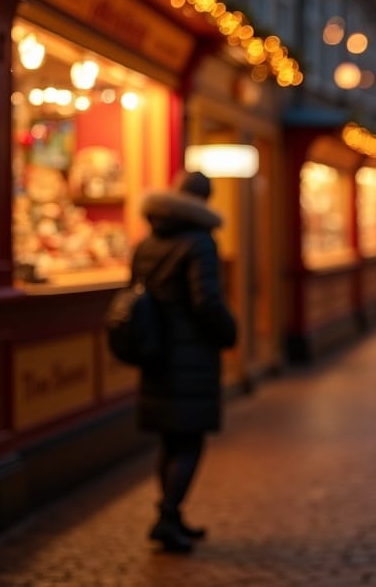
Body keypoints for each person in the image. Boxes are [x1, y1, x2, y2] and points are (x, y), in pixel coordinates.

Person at [131, 170, 237, 553]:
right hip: (190, 355)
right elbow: (206, 301)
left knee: (168, 439)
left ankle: (171, 515)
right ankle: (168, 515)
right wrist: (229, 332)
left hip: (156, 353)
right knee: (189, 440)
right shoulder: (201, 243)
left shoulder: (147, 241)